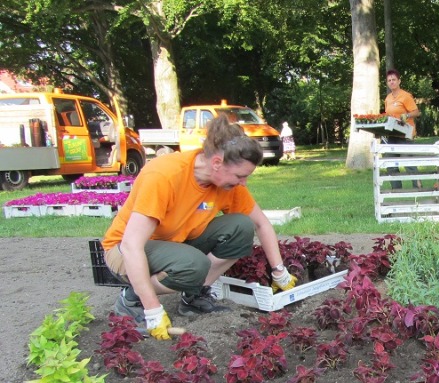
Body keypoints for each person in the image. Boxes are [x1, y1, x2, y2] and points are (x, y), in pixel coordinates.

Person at [101, 115, 297, 340]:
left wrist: (280, 272)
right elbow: (131, 244)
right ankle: (131, 298)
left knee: (241, 227)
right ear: (216, 163)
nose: (243, 183)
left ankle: (192, 298)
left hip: (175, 244)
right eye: (240, 176)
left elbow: (261, 223)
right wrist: (154, 311)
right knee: (194, 266)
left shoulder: (227, 184)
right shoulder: (164, 176)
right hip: (123, 250)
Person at [383, 69, 421, 190]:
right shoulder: (388, 98)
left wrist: (407, 116)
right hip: (392, 135)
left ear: (399, 81)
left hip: (405, 135)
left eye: (394, 79)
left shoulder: (406, 96)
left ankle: (418, 188)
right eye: (389, 80)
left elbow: (416, 112)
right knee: (390, 163)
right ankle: (396, 190)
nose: (392, 82)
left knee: (409, 164)